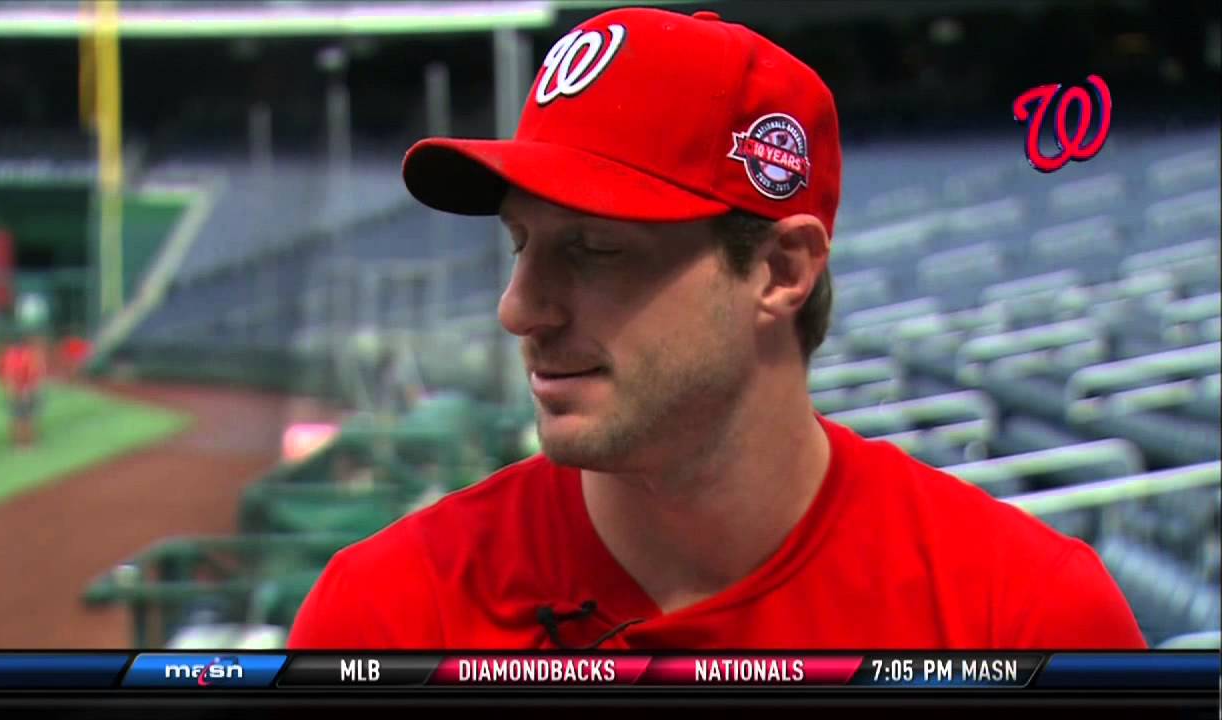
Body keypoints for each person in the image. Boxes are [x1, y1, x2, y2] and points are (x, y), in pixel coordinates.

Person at [289, 7, 1145, 650]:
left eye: (592, 248)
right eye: (521, 243)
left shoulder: (1024, 619)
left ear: (779, 271)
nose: (520, 307)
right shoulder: (389, 615)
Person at [0, 330, 47, 448]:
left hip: (16, 390)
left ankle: (19, 443)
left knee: (17, 417)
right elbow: (32, 374)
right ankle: (26, 443)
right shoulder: (28, 355)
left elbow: (7, 374)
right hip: (24, 390)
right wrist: (25, 390)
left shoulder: (10, 354)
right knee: (26, 417)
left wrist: (11, 389)